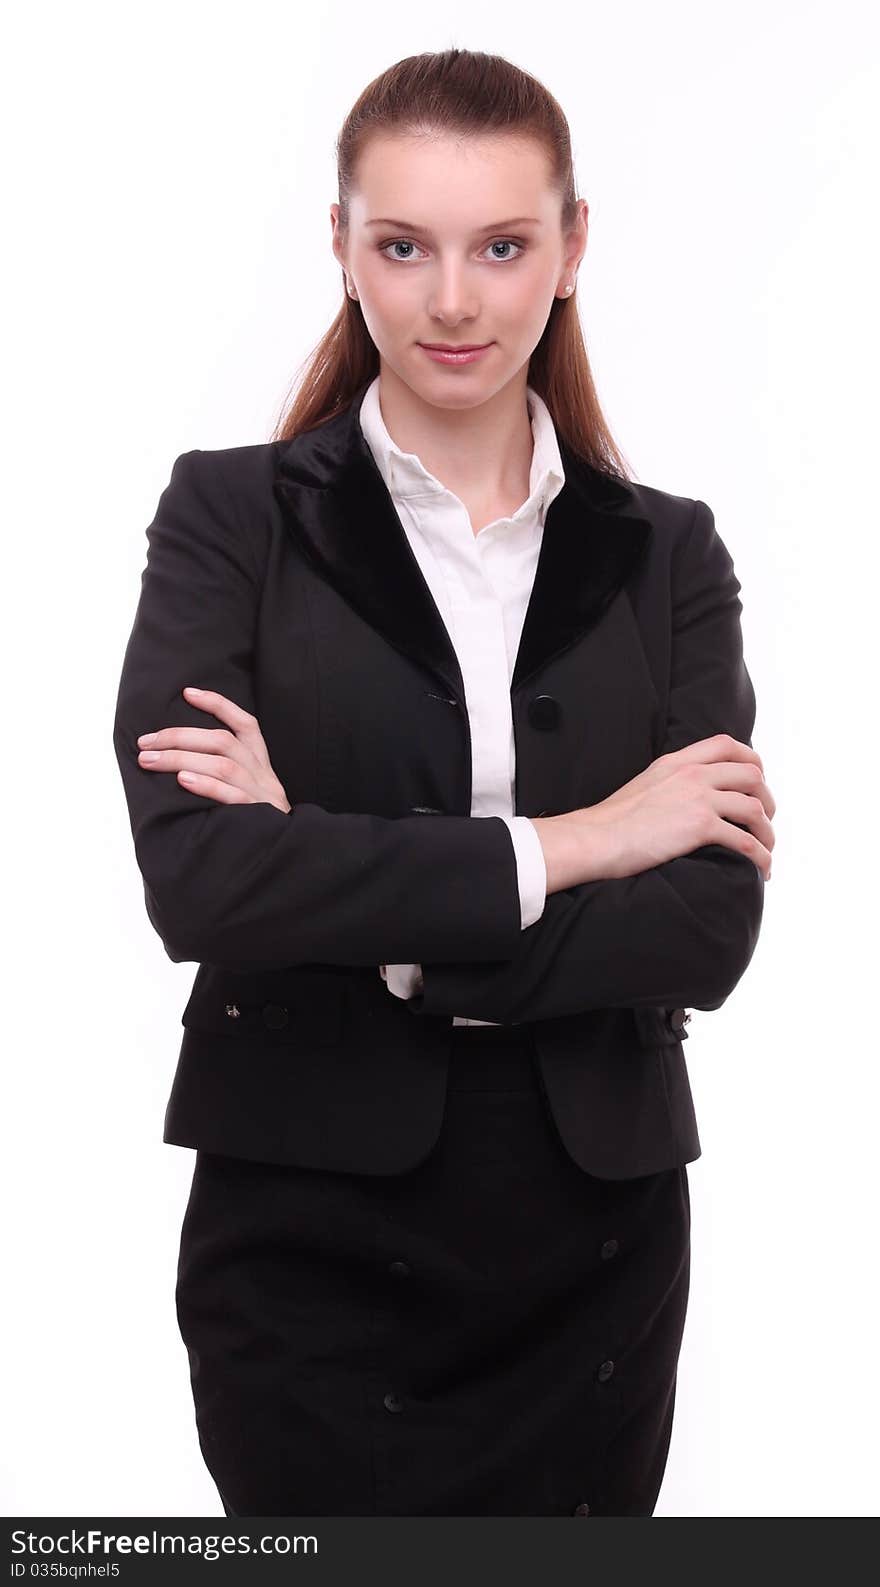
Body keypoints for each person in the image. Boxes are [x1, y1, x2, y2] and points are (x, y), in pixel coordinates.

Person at [112, 48, 774, 1518]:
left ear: (573, 246)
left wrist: (356, 896)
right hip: (306, 1236)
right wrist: (584, 840)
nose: (453, 301)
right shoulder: (231, 520)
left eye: (501, 246)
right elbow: (204, 877)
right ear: (342, 249)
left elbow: (706, 925)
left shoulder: (670, 556)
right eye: (402, 246)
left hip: (591, 1251)